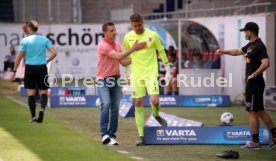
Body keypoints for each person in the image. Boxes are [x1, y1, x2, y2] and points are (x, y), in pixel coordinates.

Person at [217, 22, 276, 149]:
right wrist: (224, 51)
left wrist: (254, 74)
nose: (244, 33)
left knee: (252, 112)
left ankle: (255, 142)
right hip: (253, 83)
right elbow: (238, 51)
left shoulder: (259, 46)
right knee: (259, 111)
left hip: (254, 83)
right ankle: (275, 136)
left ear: (250, 32)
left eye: (245, 31)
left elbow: (266, 63)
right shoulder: (251, 45)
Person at [123, 13, 172, 146]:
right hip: (136, 75)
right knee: (138, 103)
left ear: (143, 23)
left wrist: (168, 69)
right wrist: (127, 72)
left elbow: (162, 52)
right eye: (135, 26)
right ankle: (141, 136)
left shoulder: (153, 35)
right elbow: (126, 56)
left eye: (139, 25)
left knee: (154, 101)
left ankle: (156, 115)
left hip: (151, 74)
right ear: (131, 25)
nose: (138, 28)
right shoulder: (128, 38)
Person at [96, 22, 146, 145]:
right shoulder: (103, 45)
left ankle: (112, 136)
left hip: (116, 80)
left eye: (115, 30)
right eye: (111, 31)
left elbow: (123, 62)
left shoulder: (117, 45)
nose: (114, 32)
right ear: (105, 33)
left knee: (115, 109)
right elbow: (119, 56)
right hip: (102, 80)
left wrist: (138, 58)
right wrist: (133, 48)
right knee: (106, 104)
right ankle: (104, 135)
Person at [11, 20, 58, 123]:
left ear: (29, 28)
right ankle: (42, 109)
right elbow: (54, 53)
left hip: (30, 68)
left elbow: (18, 58)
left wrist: (14, 71)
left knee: (31, 93)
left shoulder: (25, 41)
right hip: (42, 67)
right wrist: (46, 60)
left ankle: (33, 117)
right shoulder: (44, 40)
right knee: (43, 91)